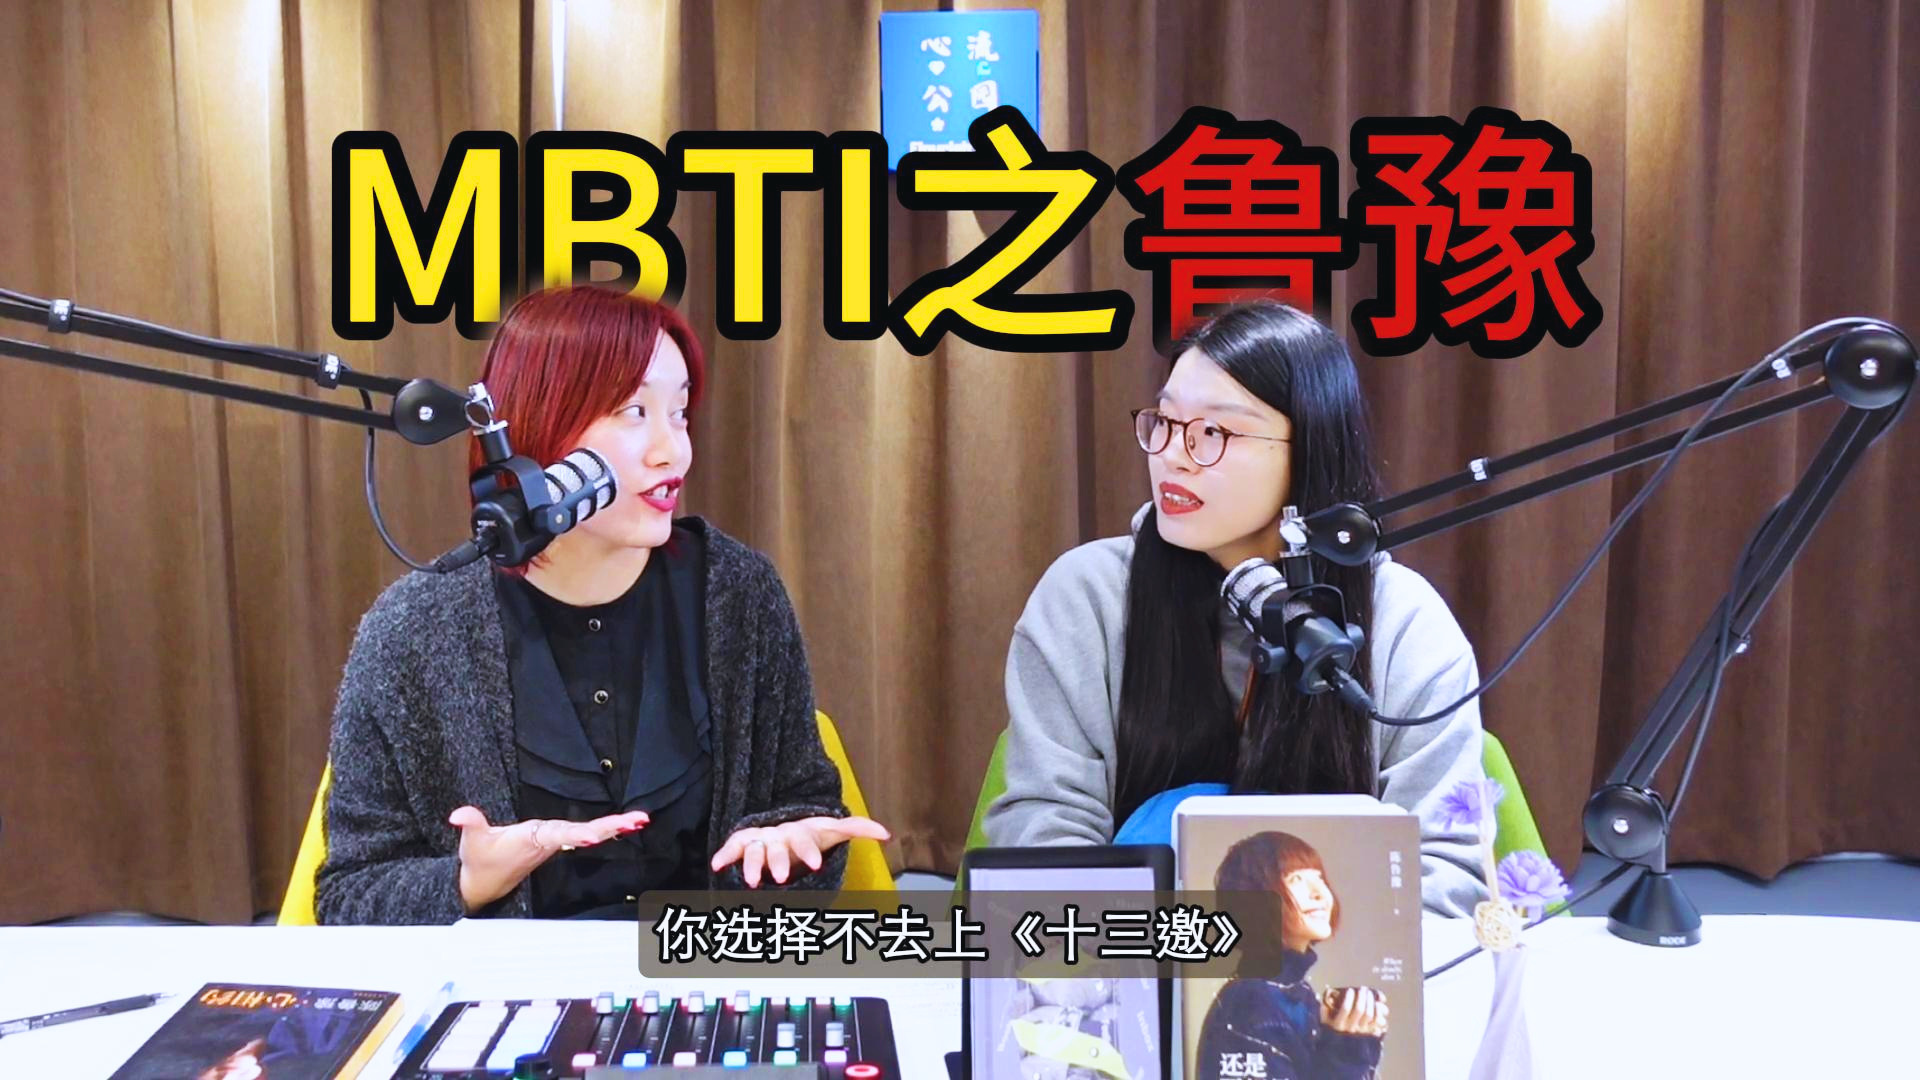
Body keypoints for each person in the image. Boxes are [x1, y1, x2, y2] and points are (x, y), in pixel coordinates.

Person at [316, 285, 888, 924]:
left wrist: (783, 858)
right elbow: (348, 898)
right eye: (634, 412)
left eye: (680, 413)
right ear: (537, 424)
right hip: (518, 980)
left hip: (696, 972)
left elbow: (802, 809)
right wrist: (467, 883)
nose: (673, 451)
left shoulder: (740, 594)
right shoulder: (414, 633)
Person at [986, 299, 1488, 916]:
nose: (1172, 454)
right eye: (1165, 421)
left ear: (1310, 450)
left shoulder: (1404, 623)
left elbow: (1446, 869)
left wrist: (1311, 951)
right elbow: (1043, 830)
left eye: (1214, 433)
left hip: (1336, 965)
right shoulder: (1087, 597)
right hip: (1129, 959)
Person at [1195, 831, 1387, 1080]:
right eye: (1296, 879)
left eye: (1319, 878)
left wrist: (1356, 1039)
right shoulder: (1252, 1002)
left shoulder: (1294, 993)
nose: (1320, 894)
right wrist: (1346, 1053)